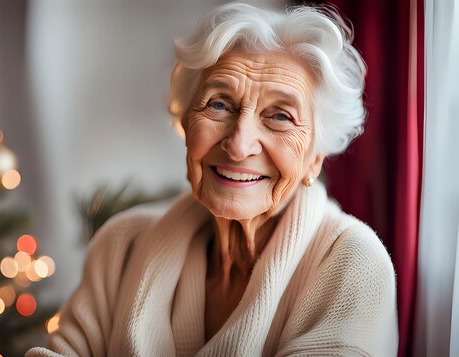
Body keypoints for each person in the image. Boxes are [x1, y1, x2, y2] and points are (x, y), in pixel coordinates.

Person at [27, 3, 398, 356]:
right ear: (186, 123)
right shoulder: (122, 246)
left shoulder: (352, 263)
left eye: (280, 116)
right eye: (219, 104)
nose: (238, 145)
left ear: (315, 158)